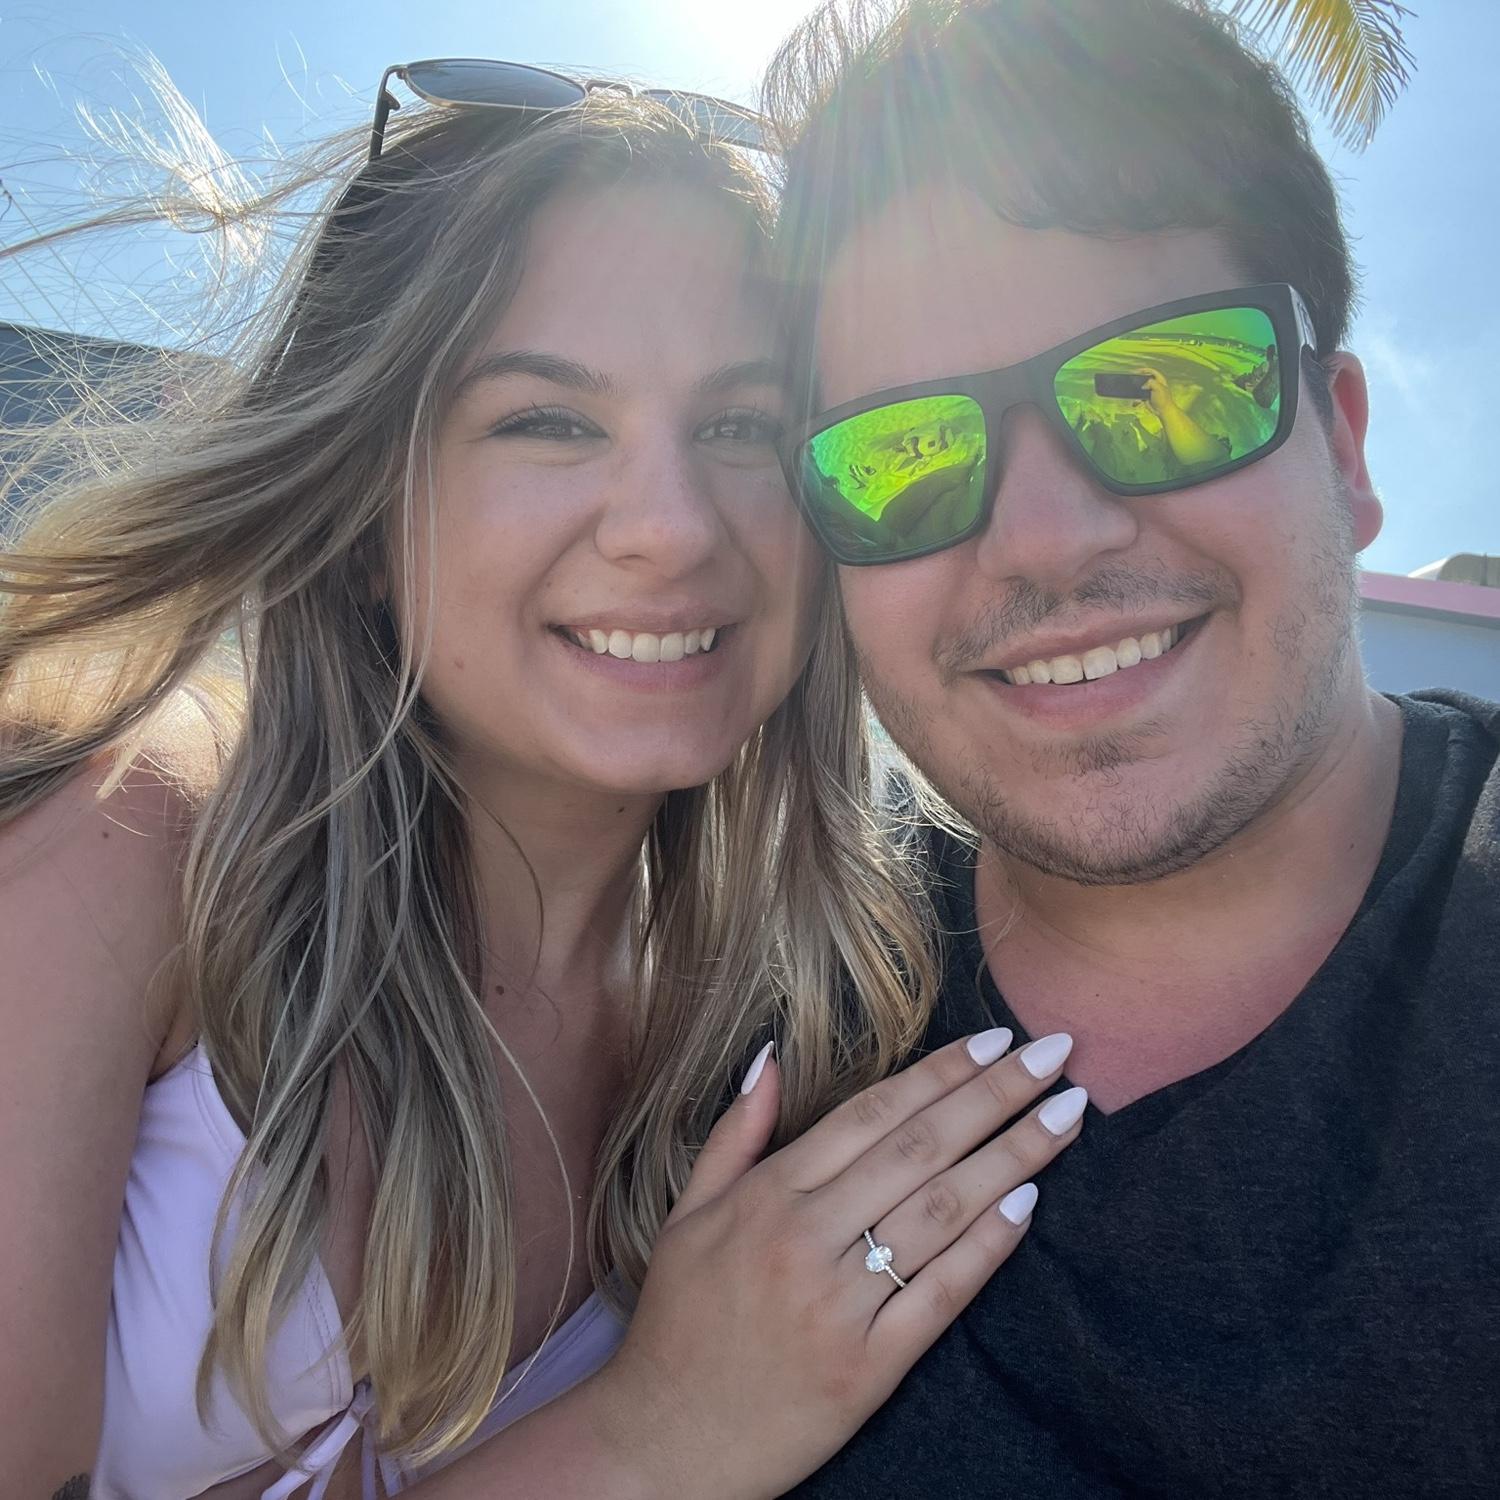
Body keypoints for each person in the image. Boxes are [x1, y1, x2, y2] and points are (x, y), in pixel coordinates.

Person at [0, 76, 1087, 1499]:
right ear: (368, 511)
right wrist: (652, 1436)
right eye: (548, 423)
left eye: (745, 429)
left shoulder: (790, 1018)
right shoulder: (130, 842)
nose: (671, 529)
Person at [765, 0, 1500, 1494]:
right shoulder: (760, 1003)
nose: (1042, 538)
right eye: (905, 455)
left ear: (1344, 449)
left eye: (1165, 387)